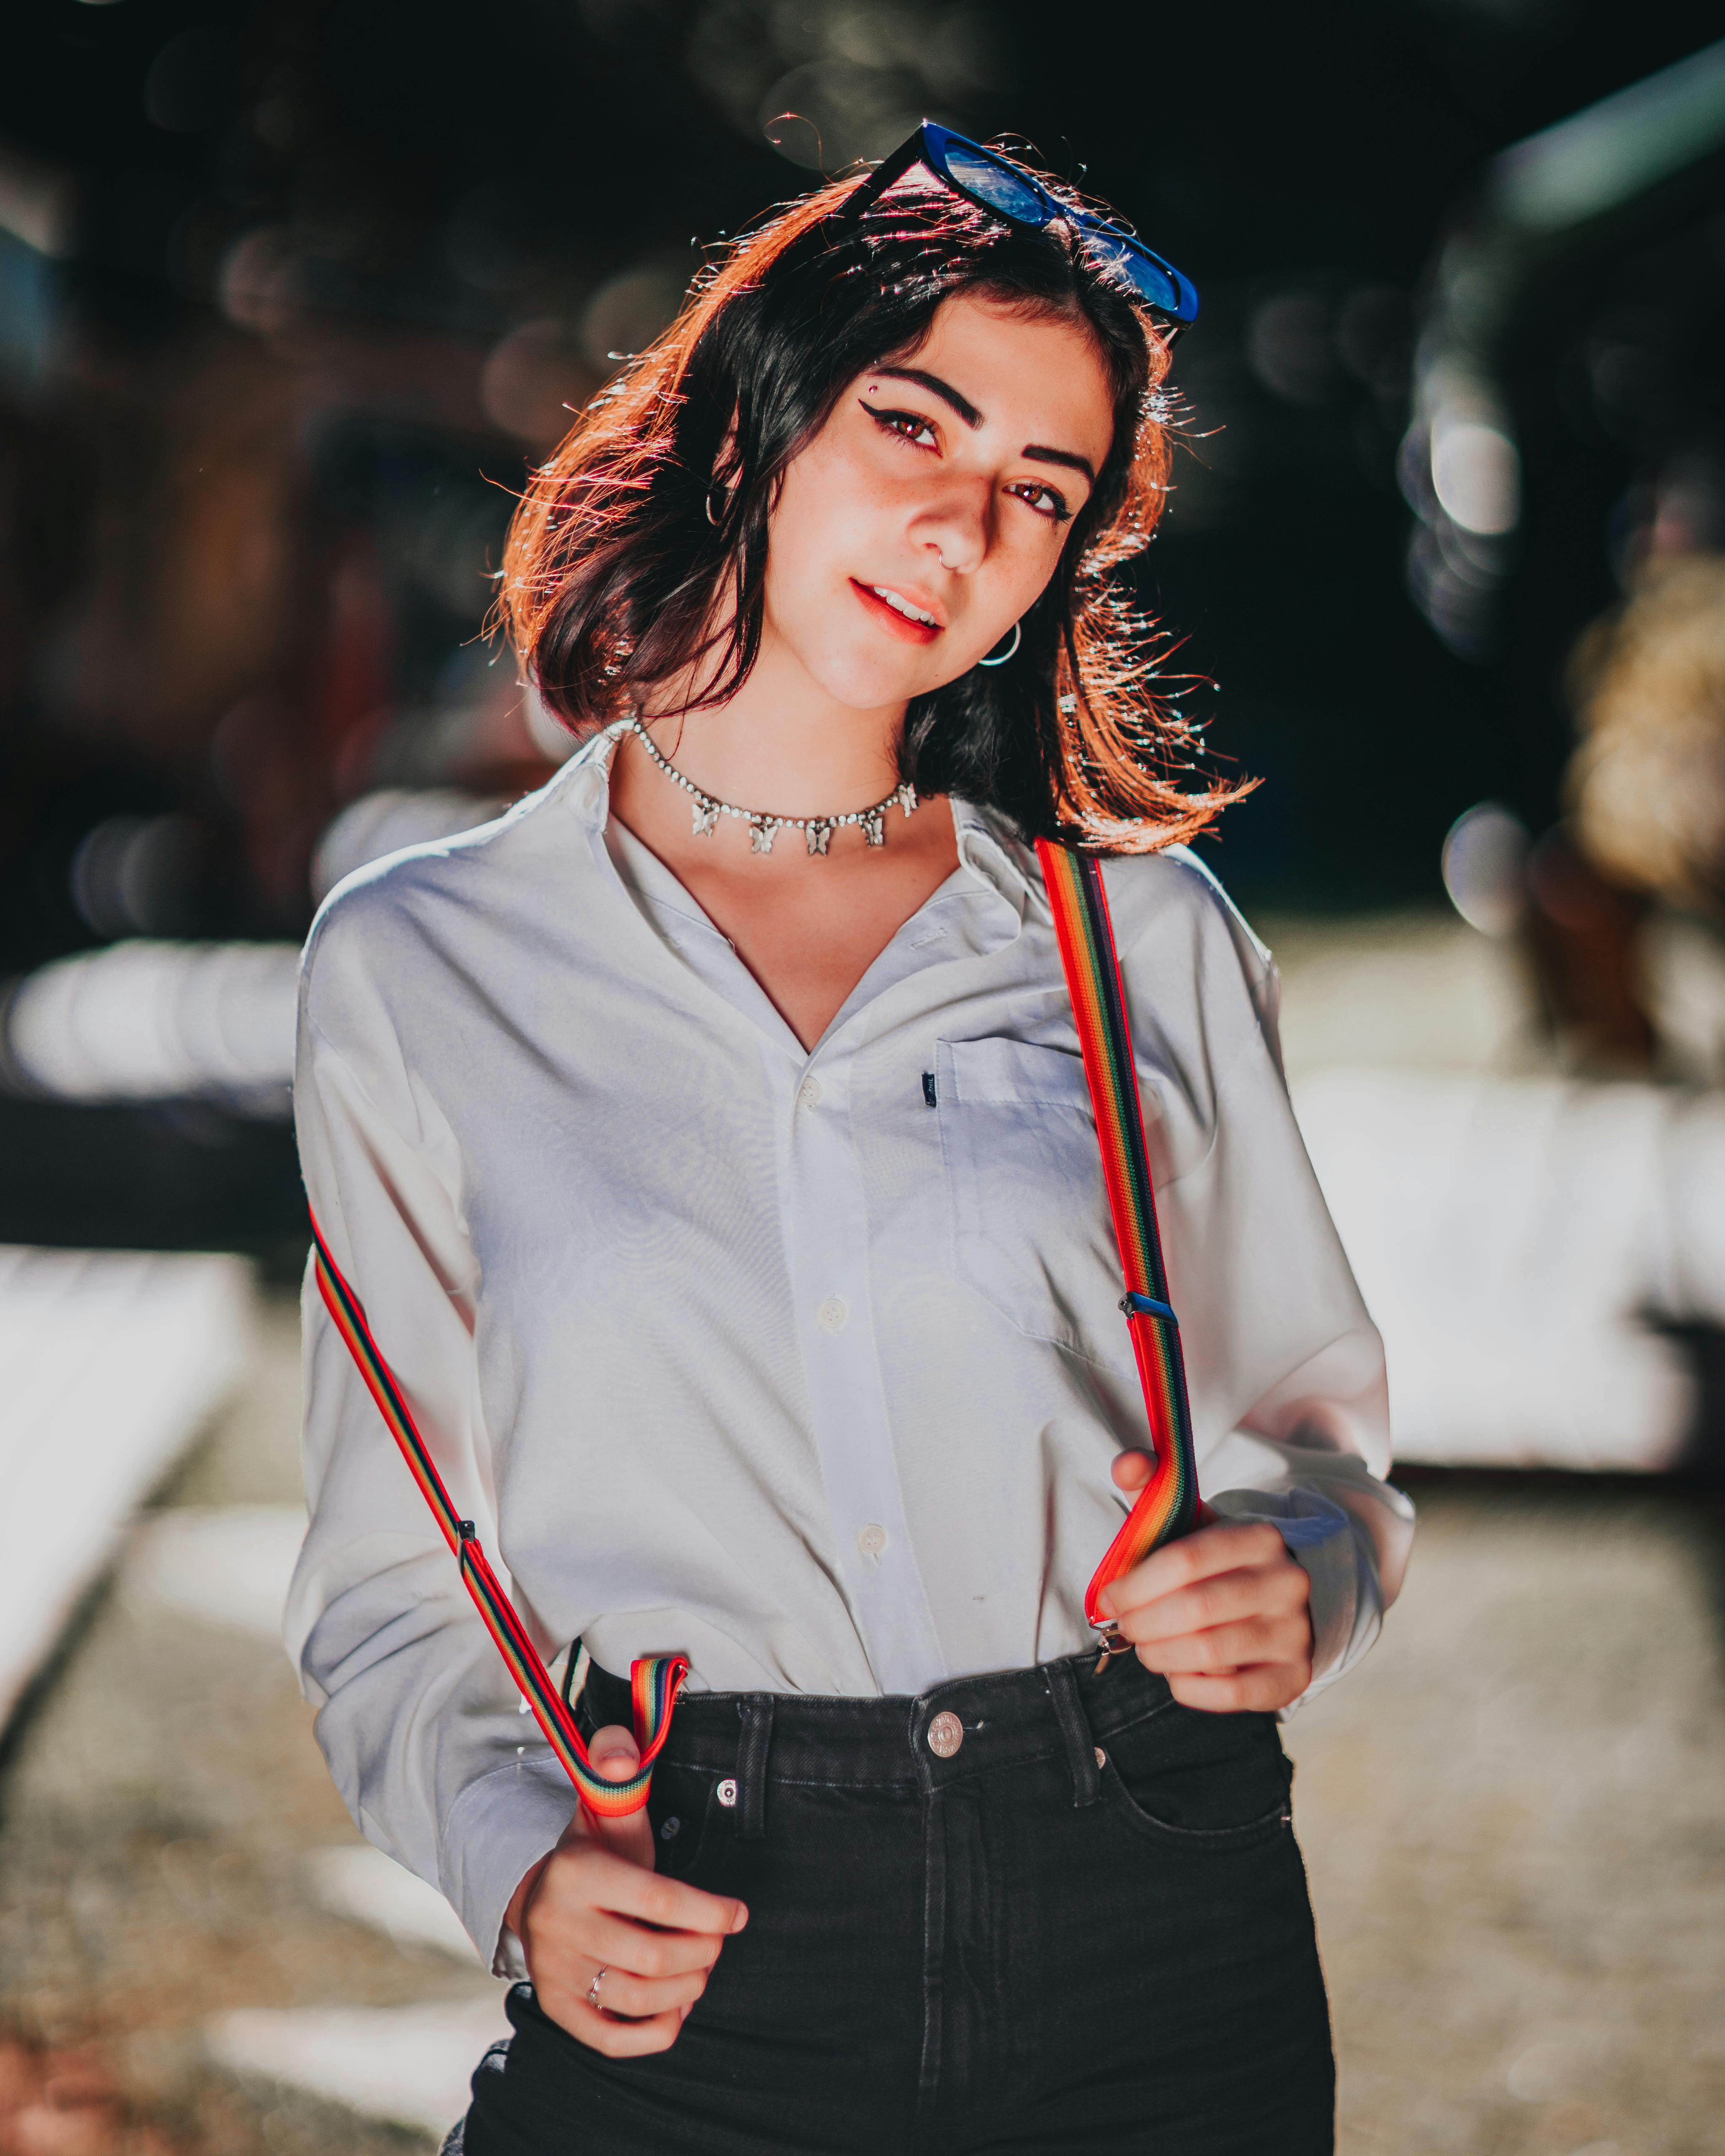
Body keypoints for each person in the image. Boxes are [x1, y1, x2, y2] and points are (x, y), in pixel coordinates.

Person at [288, 124, 1413, 2156]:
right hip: (701, 1921)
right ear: (751, 419)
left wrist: (1299, 1574)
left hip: (1151, 1901)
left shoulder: (1132, 939)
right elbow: (391, 1584)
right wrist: (518, 1874)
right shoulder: (421, 966)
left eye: (1038, 492)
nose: (961, 522)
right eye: (915, 420)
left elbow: (1315, 1453)